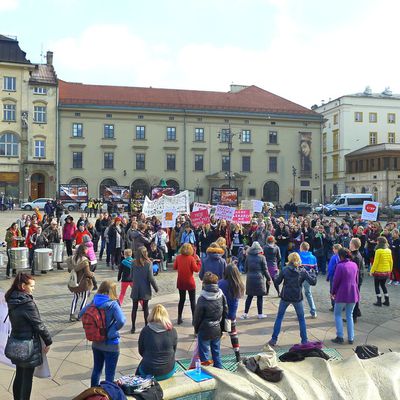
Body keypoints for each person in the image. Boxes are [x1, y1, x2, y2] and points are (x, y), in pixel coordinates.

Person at [5, 273, 52, 400]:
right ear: (23, 286)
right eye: (31, 286)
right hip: (29, 345)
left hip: (16, 343)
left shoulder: (12, 298)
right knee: (26, 378)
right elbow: (39, 325)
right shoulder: (27, 302)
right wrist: (48, 341)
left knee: (20, 374)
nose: (33, 288)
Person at [79, 281, 126, 387]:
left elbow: (81, 313)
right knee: (110, 373)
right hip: (111, 344)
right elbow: (122, 320)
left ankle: (93, 392)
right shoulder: (113, 304)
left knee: (96, 370)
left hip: (96, 342)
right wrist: (112, 331)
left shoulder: (94, 301)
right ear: (112, 291)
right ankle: (109, 393)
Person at [269, 252, 317, 346]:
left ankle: (274, 339)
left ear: (289, 260)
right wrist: (314, 274)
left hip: (285, 296)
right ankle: (304, 340)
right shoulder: (302, 271)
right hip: (297, 297)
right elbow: (312, 282)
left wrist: (275, 275)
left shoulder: (285, 269)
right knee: (301, 319)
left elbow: (277, 282)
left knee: (279, 317)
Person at [193, 272, 227, 369]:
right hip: (217, 328)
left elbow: (197, 317)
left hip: (204, 329)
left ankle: (207, 373)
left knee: (204, 356)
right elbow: (225, 311)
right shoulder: (221, 295)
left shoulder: (202, 298)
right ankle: (220, 371)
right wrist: (223, 328)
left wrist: (196, 329)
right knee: (216, 352)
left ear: (204, 284)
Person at [137, 304, 178, 381]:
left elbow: (141, 351)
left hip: (148, 371)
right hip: (167, 371)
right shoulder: (172, 331)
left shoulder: (145, 330)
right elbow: (173, 351)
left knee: (140, 369)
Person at [331, 248, 360, 344]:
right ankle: (351, 338)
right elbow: (357, 280)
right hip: (353, 293)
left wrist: (333, 292)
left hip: (342, 293)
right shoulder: (354, 265)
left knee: (337, 314)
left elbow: (336, 281)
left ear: (340, 256)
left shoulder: (340, 266)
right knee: (349, 315)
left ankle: (340, 336)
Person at [218, 264, 245, 362]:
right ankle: (237, 354)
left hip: (221, 314)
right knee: (233, 334)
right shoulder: (239, 284)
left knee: (218, 334)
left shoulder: (221, 283)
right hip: (231, 315)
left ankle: (216, 355)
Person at [130, 246, 159, 334]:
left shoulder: (133, 263)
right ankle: (146, 326)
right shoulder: (148, 263)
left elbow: (131, 276)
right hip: (145, 288)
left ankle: (133, 327)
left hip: (135, 287)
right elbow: (151, 278)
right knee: (145, 308)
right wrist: (156, 288)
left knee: (134, 308)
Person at [240, 241, 271, 319]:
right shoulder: (262, 257)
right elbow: (265, 270)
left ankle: (245, 313)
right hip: (259, 278)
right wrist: (269, 279)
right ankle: (260, 314)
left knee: (249, 297)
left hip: (250, 278)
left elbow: (245, 269)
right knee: (259, 297)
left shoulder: (248, 257)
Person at [173, 243, 201, 325]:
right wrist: (199, 262)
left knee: (181, 300)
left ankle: (179, 317)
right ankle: (194, 318)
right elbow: (196, 269)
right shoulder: (191, 259)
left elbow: (174, 267)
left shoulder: (178, 258)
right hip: (190, 282)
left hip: (181, 281)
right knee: (192, 301)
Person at [67, 244, 94, 322]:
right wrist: (92, 274)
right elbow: (87, 273)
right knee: (84, 298)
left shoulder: (72, 259)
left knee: (75, 298)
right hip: (83, 282)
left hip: (74, 282)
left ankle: (72, 314)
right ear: (84, 251)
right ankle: (81, 315)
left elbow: (69, 270)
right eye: (86, 250)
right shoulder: (84, 260)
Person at [370, 236, 393, 307]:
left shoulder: (378, 251)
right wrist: (390, 270)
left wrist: (372, 271)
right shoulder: (389, 250)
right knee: (383, 285)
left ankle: (379, 301)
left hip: (378, 272)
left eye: (377, 241)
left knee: (377, 286)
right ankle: (387, 300)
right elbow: (391, 261)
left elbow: (375, 262)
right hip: (386, 271)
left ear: (379, 242)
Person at [299, 242, 318, 318]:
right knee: (308, 294)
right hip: (308, 277)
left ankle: (300, 313)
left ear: (301, 248)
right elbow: (316, 269)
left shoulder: (298, 256)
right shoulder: (313, 257)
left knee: (299, 295)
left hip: (299, 277)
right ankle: (313, 311)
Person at [350, 238, 365, 323]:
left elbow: (355, 270)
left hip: (356, 280)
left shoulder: (355, 256)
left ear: (353, 245)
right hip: (357, 279)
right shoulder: (355, 254)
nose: (349, 244)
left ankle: (354, 316)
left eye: (350, 243)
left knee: (354, 298)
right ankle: (357, 312)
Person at [326, 244, 342, 311]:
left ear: (336, 250)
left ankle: (334, 305)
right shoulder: (342, 257)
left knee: (333, 291)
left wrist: (328, 276)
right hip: (340, 276)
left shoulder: (333, 257)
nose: (333, 250)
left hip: (334, 276)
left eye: (333, 249)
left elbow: (331, 268)